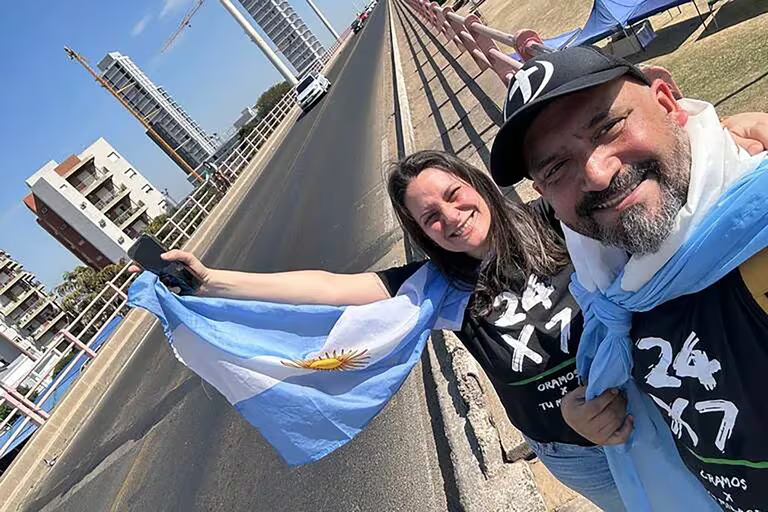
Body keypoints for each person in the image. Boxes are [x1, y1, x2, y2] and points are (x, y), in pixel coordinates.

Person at [489, 44, 768, 510]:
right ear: (542, 195)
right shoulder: (611, 289)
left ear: (667, 103)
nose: (597, 174)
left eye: (608, 127)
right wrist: (589, 411)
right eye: (558, 168)